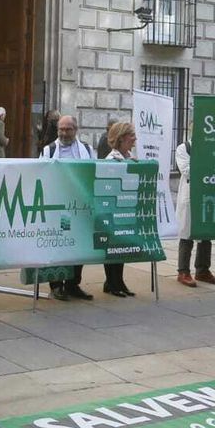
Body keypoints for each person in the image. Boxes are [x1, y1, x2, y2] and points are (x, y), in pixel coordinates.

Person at [41, 114, 96, 301]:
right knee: (59, 244)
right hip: (59, 209)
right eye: (61, 129)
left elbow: (94, 171)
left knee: (78, 244)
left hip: (79, 207)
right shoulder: (49, 150)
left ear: (76, 130)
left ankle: (73, 284)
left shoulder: (87, 149)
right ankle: (56, 285)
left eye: (68, 129)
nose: (64, 133)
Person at [173, 139, 215, 288]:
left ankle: (203, 270)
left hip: (207, 194)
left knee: (206, 234)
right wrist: (208, 162)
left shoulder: (213, 146)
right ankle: (183, 271)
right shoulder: (184, 148)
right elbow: (187, 171)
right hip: (190, 195)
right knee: (187, 233)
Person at [99, 121, 139, 297]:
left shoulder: (128, 157)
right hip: (113, 209)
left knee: (121, 245)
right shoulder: (112, 160)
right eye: (131, 135)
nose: (135, 138)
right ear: (122, 138)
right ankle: (112, 282)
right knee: (113, 247)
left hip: (124, 207)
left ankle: (118, 281)